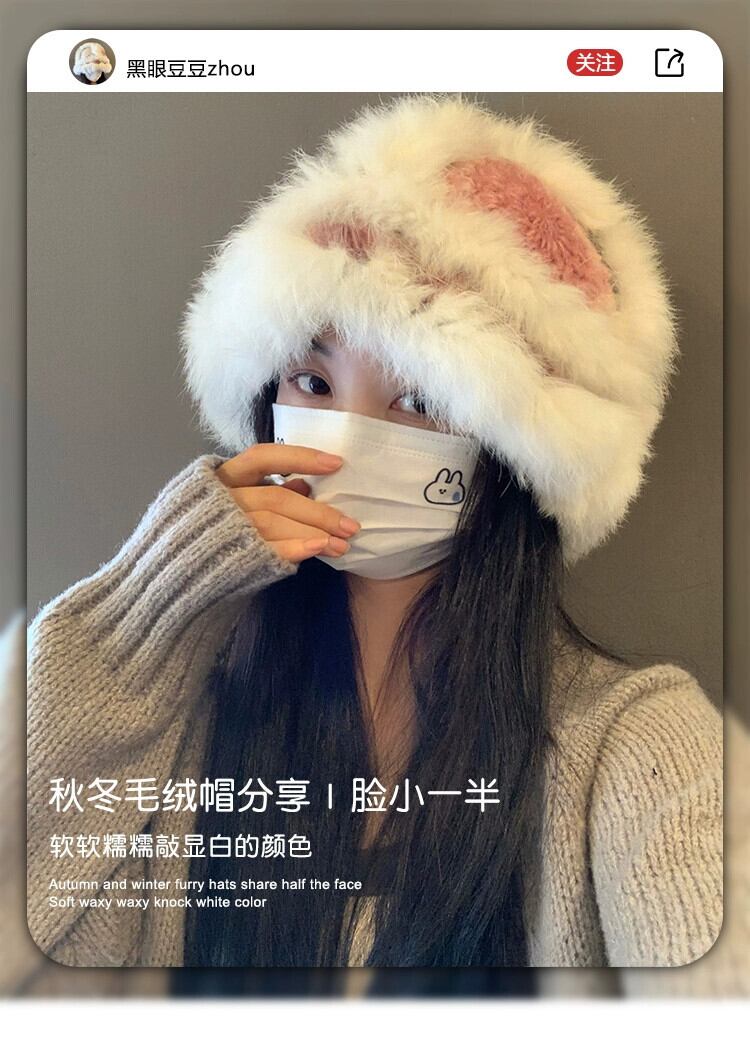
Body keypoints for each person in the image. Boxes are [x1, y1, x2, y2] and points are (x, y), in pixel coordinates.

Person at [26, 93, 722, 973]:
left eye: (420, 399)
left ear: (517, 456)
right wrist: (148, 605)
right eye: (314, 384)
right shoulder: (175, 722)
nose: (347, 441)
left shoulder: (633, 747)